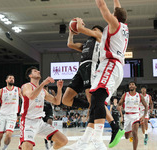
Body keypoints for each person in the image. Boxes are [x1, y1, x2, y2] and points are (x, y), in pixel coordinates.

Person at [63, 17, 122, 149]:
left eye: (94, 29)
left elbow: (84, 30)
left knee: (95, 101)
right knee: (66, 99)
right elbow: (70, 44)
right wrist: (71, 32)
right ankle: (90, 106)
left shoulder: (100, 36)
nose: (93, 31)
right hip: (81, 69)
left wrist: (78, 23)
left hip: (92, 66)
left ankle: (113, 125)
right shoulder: (86, 44)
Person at [87, 0, 129, 149]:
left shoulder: (114, 24)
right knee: (96, 100)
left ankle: (98, 140)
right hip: (114, 67)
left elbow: (101, 6)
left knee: (97, 98)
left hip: (110, 64)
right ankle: (89, 139)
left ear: (115, 17)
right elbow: (117, 8)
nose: (110, 14)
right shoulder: (123, 26)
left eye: (113, 14)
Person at [19, 66, 68, 150]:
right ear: (30, 76)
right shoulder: (26, 86)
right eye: (35, 71)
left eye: (38, 70)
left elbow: (57, 101)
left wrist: (59, 89)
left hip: (40, 122)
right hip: (28, 121)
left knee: (63, 140)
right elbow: (31, 96)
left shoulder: (43, 91)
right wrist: (43, 83)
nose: (38, 71)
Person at [0, 75, 21, 150]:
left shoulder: (18, 90)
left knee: (9, 134)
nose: (12, 79)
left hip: (12, 115)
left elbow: (25, 99)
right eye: (10, 78)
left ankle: (4, 148)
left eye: (13, 78)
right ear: (6, 80)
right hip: (2, 115)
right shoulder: (1, 91)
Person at [118, 81, 148, 150]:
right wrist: (118, 107)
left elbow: (146, 106)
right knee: (126, 137)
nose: (131, 85)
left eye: (133, 84)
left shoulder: (139, 95)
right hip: (127, 116)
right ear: (129, 87)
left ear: (135, 87)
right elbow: (119, 104)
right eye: (130, 84)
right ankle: (130, 133)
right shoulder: (125, 95)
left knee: (135, 133)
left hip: (136, 116)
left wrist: (143, 116)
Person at [43, 86, 54, 150]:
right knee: (45, 129)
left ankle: (51, 142)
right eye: (44, 87)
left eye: (46, 87)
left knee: (49, 126)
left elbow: (54, 101)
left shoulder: (51, 92)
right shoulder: (39, 92)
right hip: (42, 111)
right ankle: (46, 143)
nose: (45, 88)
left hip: (49, 110)